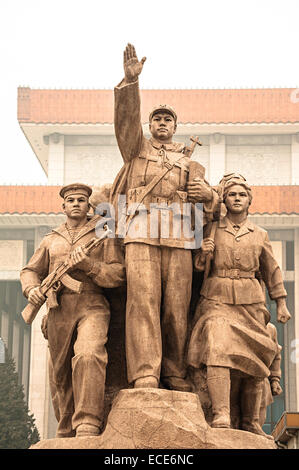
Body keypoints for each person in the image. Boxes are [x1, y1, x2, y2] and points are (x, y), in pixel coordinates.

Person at [112, 43, 218, 392]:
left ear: (175, 127)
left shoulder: (189, 162)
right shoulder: (136, 149)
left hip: (179, 234)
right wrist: (130, 85)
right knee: (142, 304)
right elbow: (126, 122)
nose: (161, 122)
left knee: (175, 307)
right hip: (141, 231)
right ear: (150, 124)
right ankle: (145, 373)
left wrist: (210, 197)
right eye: (156, 118)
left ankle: (174, 372)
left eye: (167, 119)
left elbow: (210, 205)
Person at [187, 174, 291, 437]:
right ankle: (221, 413)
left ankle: (250, 420)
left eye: (241, 195)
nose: (236, 199)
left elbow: (272, 271)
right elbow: (198, 270)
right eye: (232, 194)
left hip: (251, 303)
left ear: (249, 201)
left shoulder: (260, 234)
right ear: (224, 199)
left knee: (257, 358)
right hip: (217, 298)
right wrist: (204, 254)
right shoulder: (212, 229)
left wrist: (281, 304)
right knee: (217, 347)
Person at [20, 183, 125, 438]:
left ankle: (88, 422)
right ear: (63, 206)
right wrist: (32, 288)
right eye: (71, 200)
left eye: (81, 199)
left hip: (92, 303)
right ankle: (66, 426)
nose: (76, 203)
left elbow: (118, 274)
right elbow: (30, 270)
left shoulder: (102, 233)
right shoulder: (51, 239)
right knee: (61, 371)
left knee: (89, 355)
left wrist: (89, 265)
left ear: (89, 204)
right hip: (59, 307)